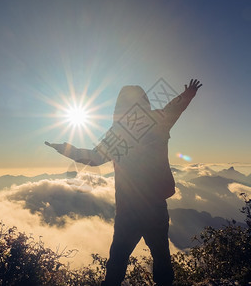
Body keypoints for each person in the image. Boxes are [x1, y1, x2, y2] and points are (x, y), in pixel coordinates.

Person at [46, 79, 202, 285]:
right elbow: (174, 108)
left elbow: (93, 158)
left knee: (117, 262)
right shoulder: (158, 120)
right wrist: (188, 94)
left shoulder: (117, 135)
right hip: (155, 206)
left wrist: (66, 149)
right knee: (162, 258)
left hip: (128, 209)